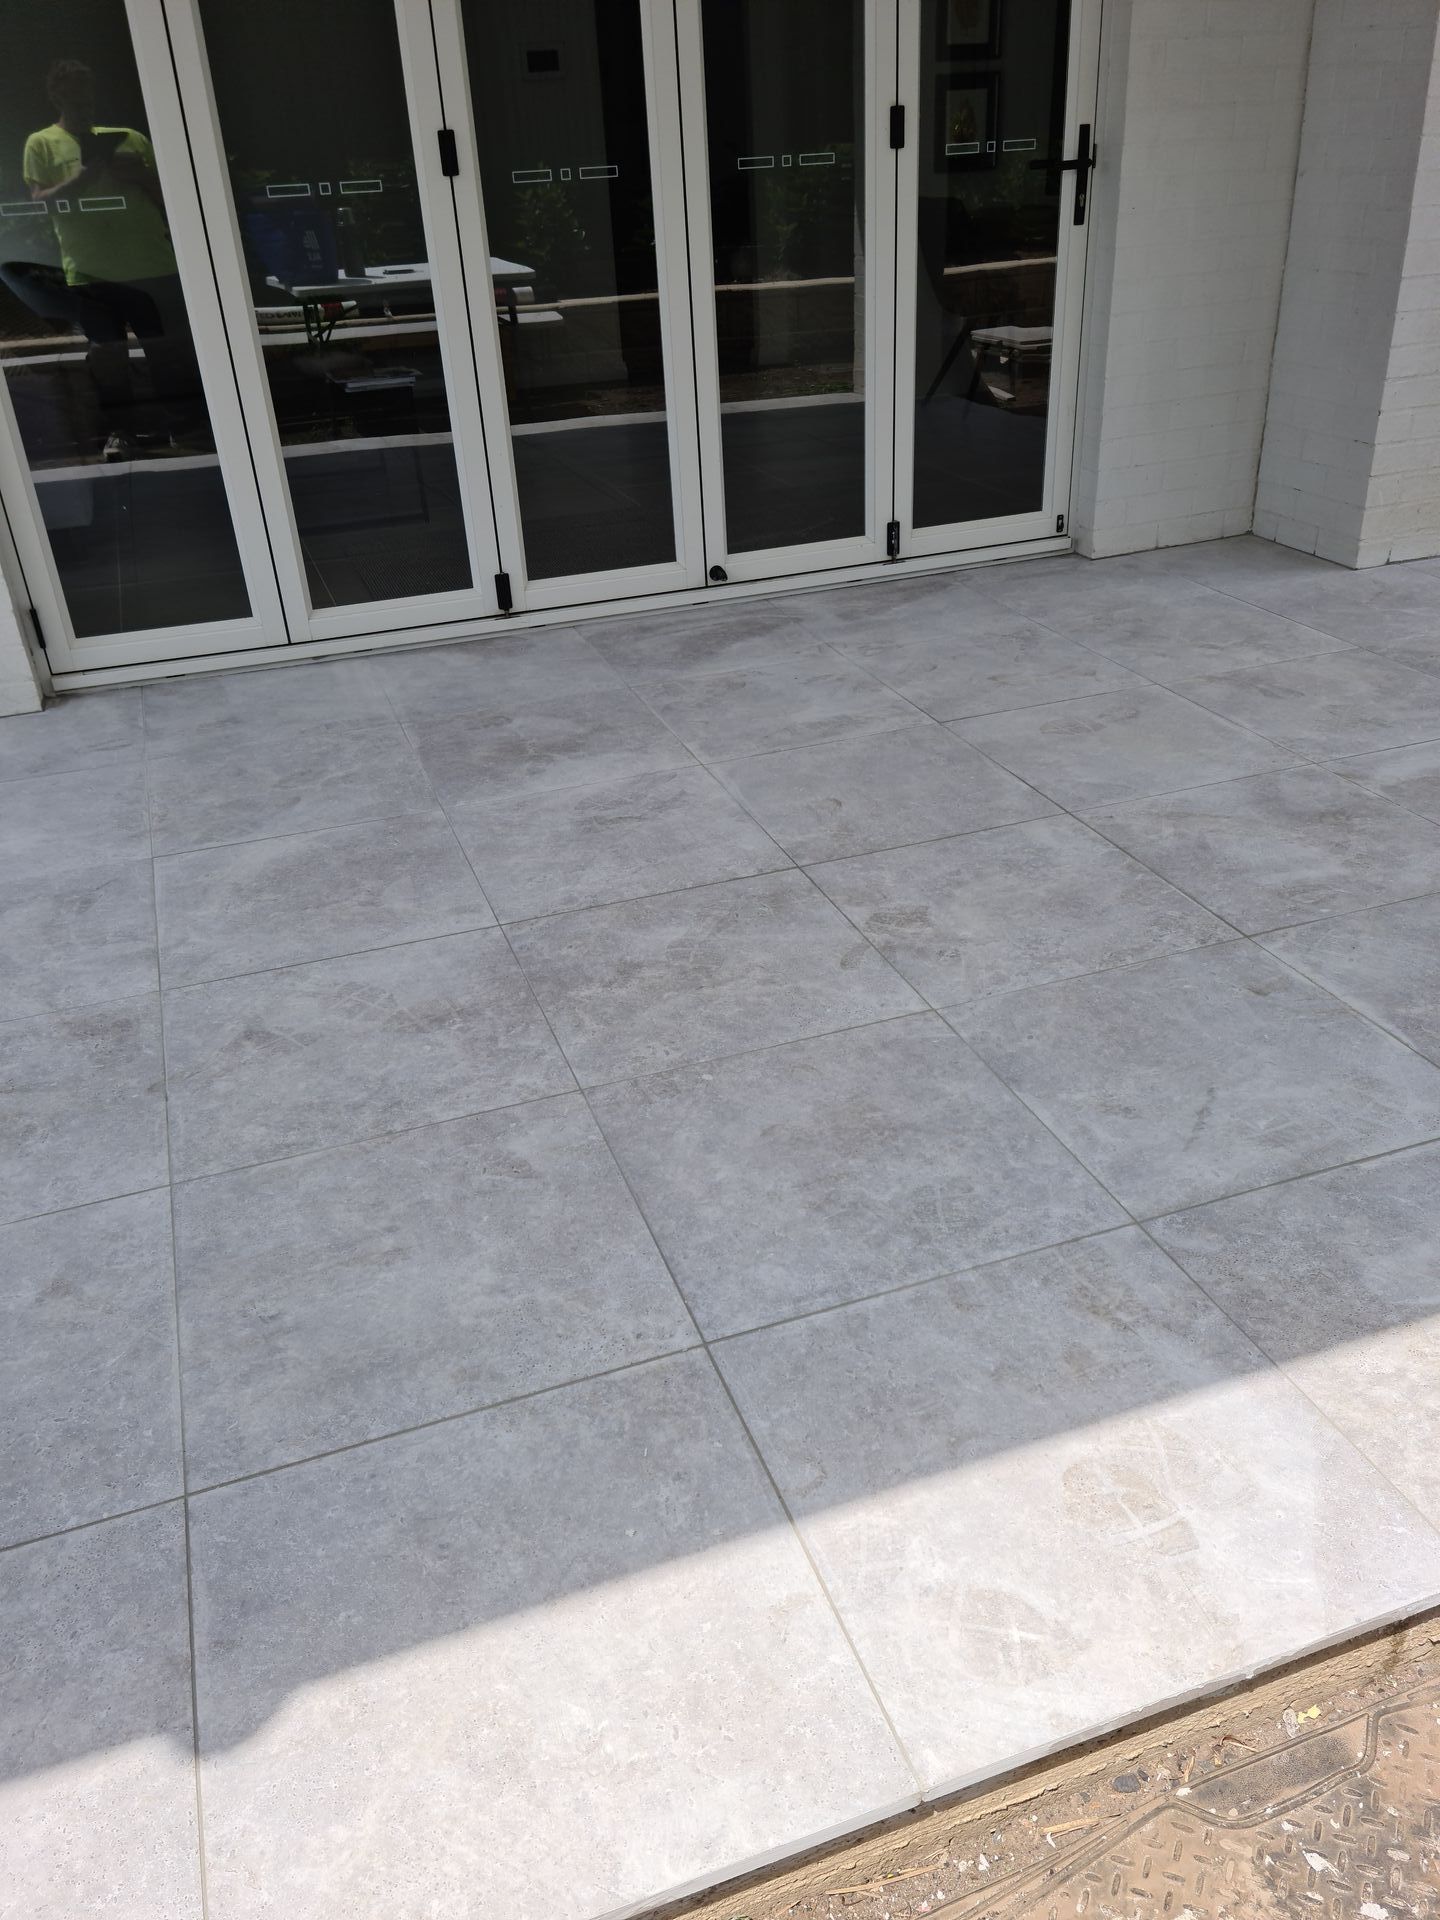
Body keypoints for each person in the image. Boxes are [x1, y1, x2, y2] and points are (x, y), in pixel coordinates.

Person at [23, 58, 199, 455]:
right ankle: (121, 433)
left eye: (87, 94)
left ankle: (187, 430)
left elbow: (169, 197)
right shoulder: (41, 143)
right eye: (73, 95)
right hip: (91, 271)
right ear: (56, 97)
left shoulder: (130, 138)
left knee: (167, 351)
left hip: (152, 265)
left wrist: (139, 175)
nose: (82, 102)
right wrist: (84, 175)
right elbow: (39, 203)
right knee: (108, 358)